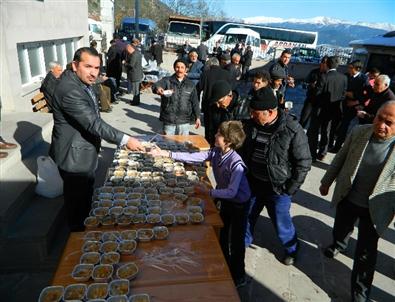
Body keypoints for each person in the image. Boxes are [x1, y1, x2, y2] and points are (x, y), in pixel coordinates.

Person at [49, 47, 144, 231]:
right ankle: (78, 247)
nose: (94, 73)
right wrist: (125, 139)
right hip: (74, 159)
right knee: (78, 210)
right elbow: (94, 124)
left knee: (86, 200)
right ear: (75, 65)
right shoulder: (69, 90)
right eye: (88, 67)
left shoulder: (81, 81)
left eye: (97, 67)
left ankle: (85, 231)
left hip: (84, 154)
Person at [149, 120, 251, 288]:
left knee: (237, 239)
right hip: (226, 199)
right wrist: (167, 154)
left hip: (239, 203)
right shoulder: (217, 151)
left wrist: (209, 192)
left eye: (219, 134)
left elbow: (232, 191)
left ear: (228, 141)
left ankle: (239, 275)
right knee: (223, 233)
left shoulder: (236, 162)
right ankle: (224, 265)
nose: (215, 135)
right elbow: (195, 156)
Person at [319, 101, 395, 302]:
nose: (381, 126)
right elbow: (341, 158)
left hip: (376, 209)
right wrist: (327, 181)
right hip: (349, 196)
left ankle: (360, 293)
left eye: (389, 123)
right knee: (341, 227)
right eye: (380, 118)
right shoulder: (359, 131)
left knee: (366, 254)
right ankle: (339, 244)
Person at [240, 87, 312, 265]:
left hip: (278, 188)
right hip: (254, 182)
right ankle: (244, 242)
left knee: (282, 223)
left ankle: (292, 248)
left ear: (270, 112)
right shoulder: (251, 125)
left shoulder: (292, 129)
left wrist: (289, 189)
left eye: (256, 113)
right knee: (247, 215)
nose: (252, 116)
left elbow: (304, 163)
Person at [307, 56, 348, 161]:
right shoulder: (343, 78)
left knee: (314, 131)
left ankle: (312, 154)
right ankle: (323, 152)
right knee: (326, 131)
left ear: (327, 64)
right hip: (332, 110)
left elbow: (317, 93)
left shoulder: (324, 76)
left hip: (320, 109)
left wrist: (312, 88)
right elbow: (343, 95)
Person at [152, 58, 201, 135]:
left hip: (184, 121)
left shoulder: (190, 84)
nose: (179, 70)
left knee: (183, 144)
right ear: (174, 68)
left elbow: (195, 102)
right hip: (169, 120)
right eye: (177, 67)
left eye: (182, 67)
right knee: (167, 143)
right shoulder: (167, 80)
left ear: (186, 69)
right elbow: (156, 85)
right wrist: (158, 88)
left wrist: (197, 117)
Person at [331, 60, 369, 153]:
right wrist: (346, 93)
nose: (348, 69)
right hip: (341, 103)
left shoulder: (364, 79)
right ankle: (330, 143)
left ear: (357, 69)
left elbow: (367, 95)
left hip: (352, 106)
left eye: (350, 68)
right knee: (334, 124)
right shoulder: (346, 76)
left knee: (344, 125)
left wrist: (356, 102)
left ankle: (337, 146)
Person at [197, 57, 232, 139]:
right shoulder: (226, 74)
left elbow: (197, 90)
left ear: (209, 65)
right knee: (222, 129)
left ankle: (209, 145)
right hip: (223, 105)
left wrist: (197, 106)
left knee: (209, 129)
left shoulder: (205, 74)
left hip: (208, 105)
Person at [205, 80, 238, 146]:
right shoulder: (212, 106)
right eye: (216, 102)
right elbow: (210, 129)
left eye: (220, 101)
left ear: (229, 96)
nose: (217, 105)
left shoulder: (241, 107)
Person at [299, 56, 328, 128]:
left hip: (321, 103)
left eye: (326, 63)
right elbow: (304, 84)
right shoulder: (314, 72)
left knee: (315, 124)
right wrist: (310, 85)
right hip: (310, 100)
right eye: (323, 62)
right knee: (303, 120)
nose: (324, 64)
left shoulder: (328, 75)